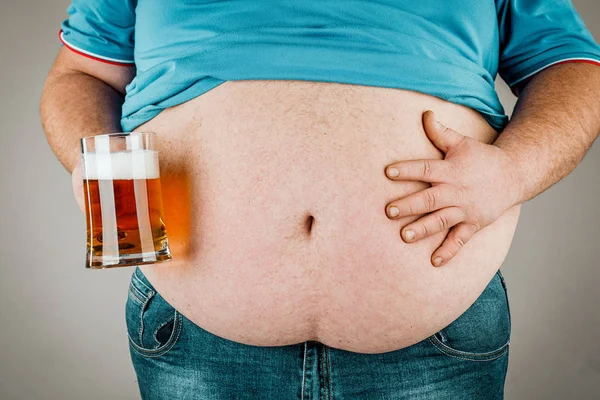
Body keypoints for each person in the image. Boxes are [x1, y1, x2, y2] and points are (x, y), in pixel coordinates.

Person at [40, 1, 600, 399]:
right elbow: (83, 74)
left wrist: (512, 170)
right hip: (192, 317)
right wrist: (103, 175)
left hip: (436, 329)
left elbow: (571, 66)